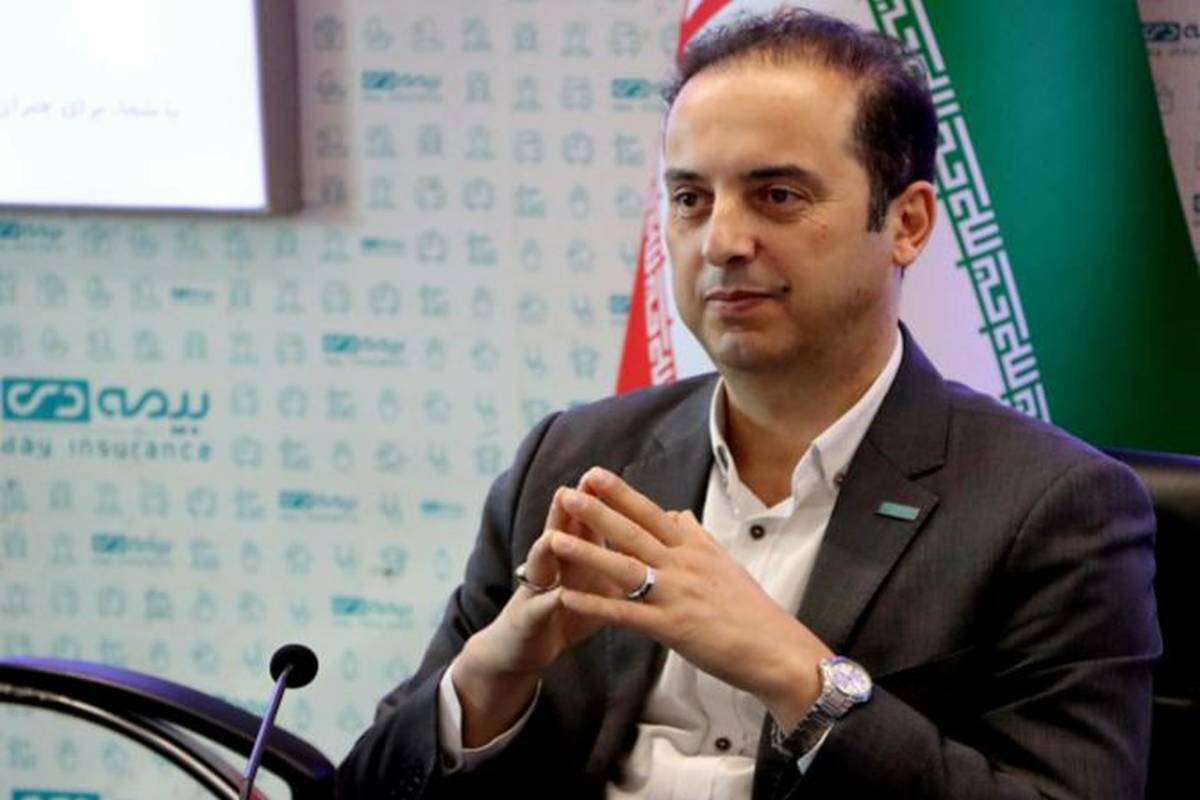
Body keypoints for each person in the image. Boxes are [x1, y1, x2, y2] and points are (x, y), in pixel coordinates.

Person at [337, 9, 1159, 799]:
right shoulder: (573, 461)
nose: (722, 241)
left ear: (907, 224)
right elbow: (368, 785)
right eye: (691, 199)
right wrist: (488, 682)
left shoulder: (1050, 507)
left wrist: (798, 678)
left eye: (778, 196)